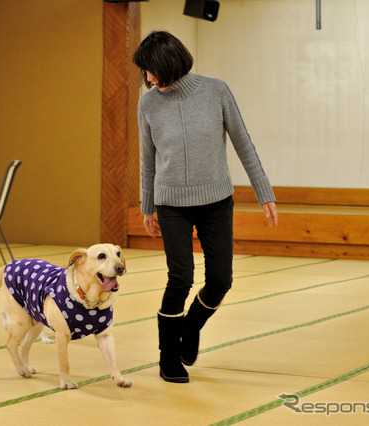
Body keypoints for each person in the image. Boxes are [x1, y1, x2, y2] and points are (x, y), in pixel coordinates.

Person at [132, 31, 278, 383]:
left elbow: (244, 143)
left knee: (221, 281)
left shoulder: (216, 91)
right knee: (179, 279)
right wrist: (147, 206)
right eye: (145, 73)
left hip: (216, 202)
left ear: (170, 63)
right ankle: (168, 358)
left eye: (152, 71)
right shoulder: (148, 103)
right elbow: (147, 160)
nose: (149, 80)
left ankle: (191, 326)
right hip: (171, 205)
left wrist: (264, 192)